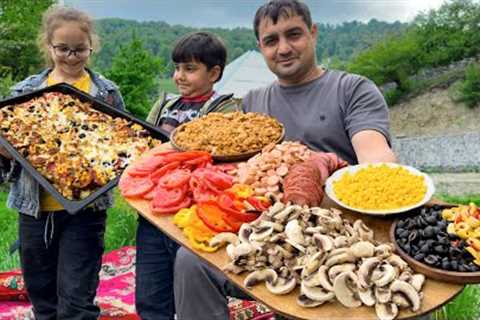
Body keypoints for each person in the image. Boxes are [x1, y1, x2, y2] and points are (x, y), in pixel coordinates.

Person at [172, 1, 397, 319]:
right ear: (260, 47)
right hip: (269, 232)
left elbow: (375, 156)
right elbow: (240, 174)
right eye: (271, 40)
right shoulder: (253, 102)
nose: (284, 48)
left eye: (294, 34)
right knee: (190, 261)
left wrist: (381, 176)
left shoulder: (352, 89)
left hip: (341, 234)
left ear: (314, 33)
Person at [0, 6, 125, 320]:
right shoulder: (25, 92)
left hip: (86, 209)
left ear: (91, 47)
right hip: (35, 209)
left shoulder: (107, 94)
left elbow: (125, 146)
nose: (71, 56)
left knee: (76, 299)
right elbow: (8, 158)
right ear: (48, 47)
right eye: (63, 49)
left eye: (79, 49)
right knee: (42, 295)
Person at [135, 31, 240, 320]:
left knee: (189, 290)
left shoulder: (227, 110)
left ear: (214, 73)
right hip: (153, 215)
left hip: (194, 216)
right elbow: (143, 147)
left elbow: (223, 159)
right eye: (177, 67)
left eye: (190, 69)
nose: (179, 76)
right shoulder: (164, 106)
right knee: (150, 297)